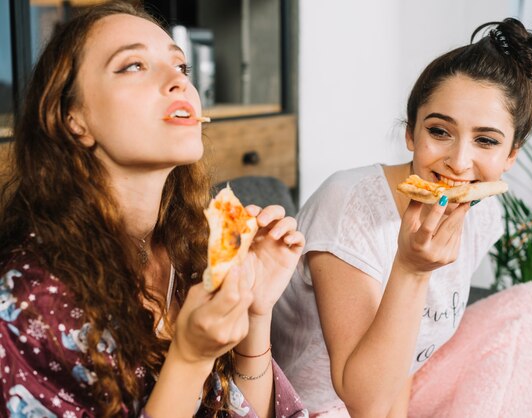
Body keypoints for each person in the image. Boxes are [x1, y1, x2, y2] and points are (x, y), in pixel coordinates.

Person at [0, 2, 307, 418]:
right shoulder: (27, 303)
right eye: (133, 66)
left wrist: (255, 312)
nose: (177, 82)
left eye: (181, 67)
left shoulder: (193, 247)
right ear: (74, 119)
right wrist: (190, 357)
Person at [271, 18, 532, 418]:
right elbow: (365, 403)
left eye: (486, 140)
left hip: (401, 392)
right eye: (440, 132)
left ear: (511, 154)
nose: (459, 162)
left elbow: (412, 353)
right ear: (411, 133)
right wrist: (411, 268)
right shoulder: (349, 204)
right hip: (323, 407)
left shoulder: (483, 214)